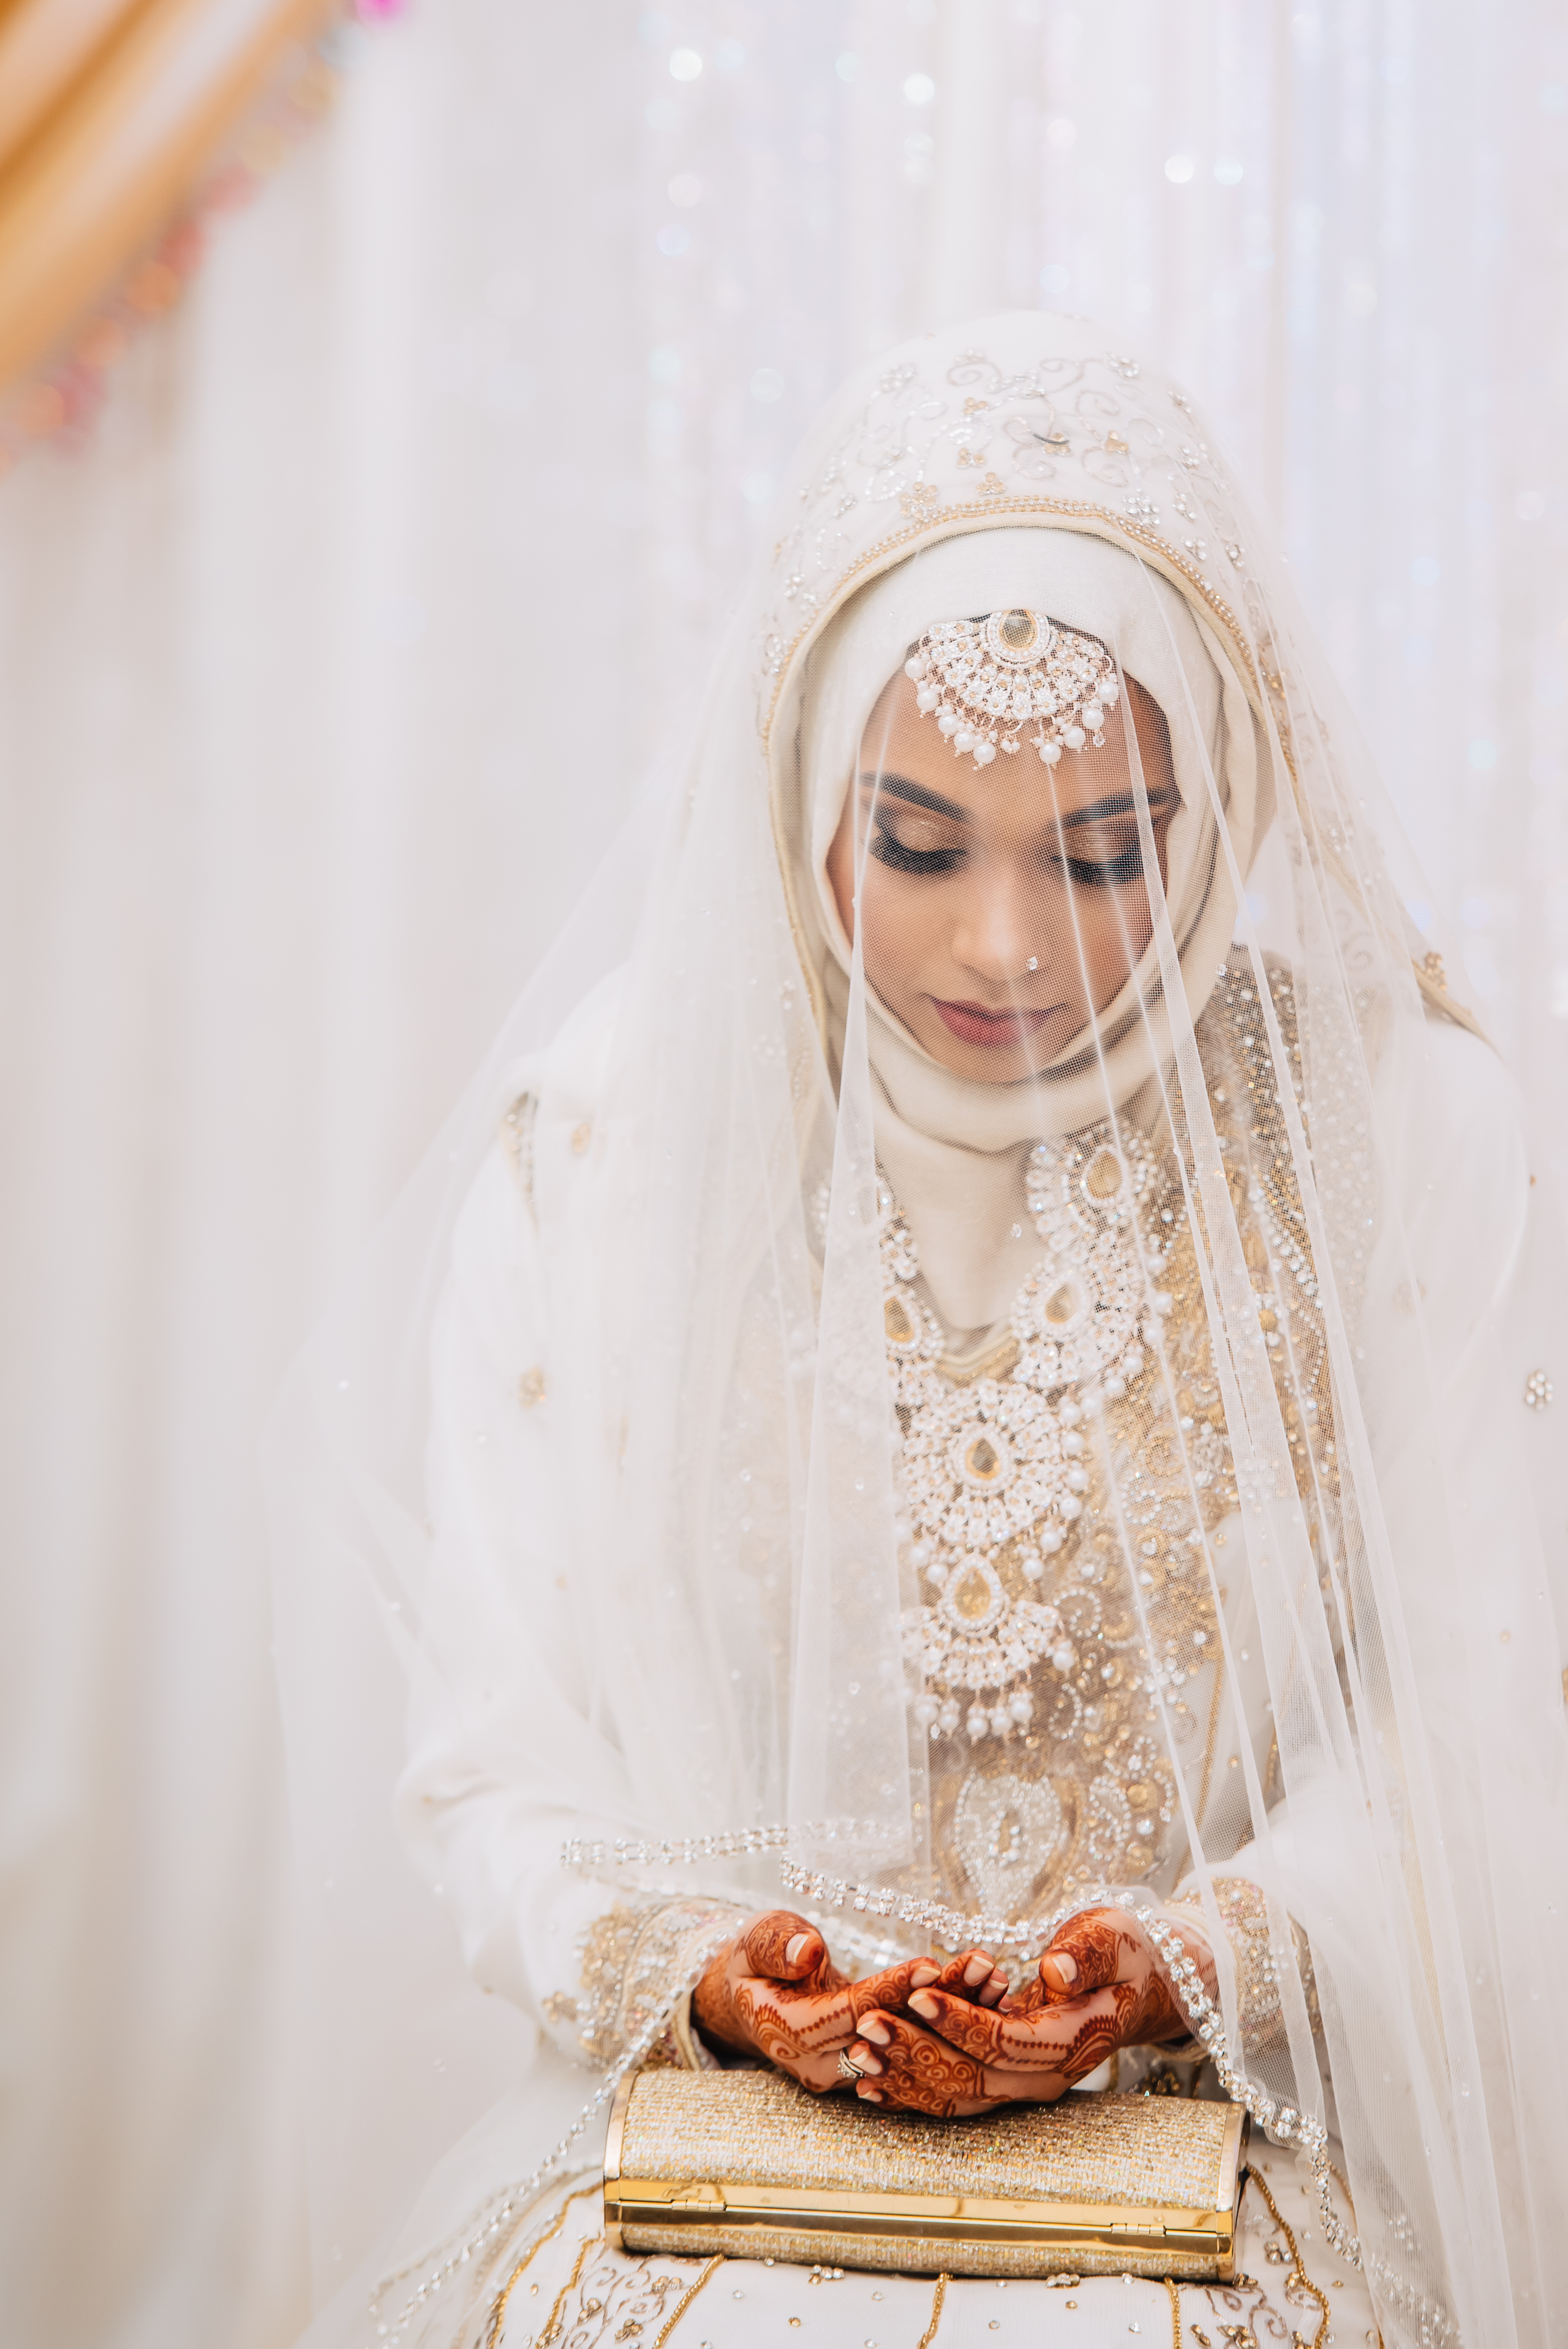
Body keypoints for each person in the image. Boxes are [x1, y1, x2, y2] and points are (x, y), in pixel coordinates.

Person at [273, 312, 1568, 2349]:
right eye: (916, 840)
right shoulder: (617, 1144)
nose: (1002, 946)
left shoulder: (1387, 1134)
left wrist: (1181, 1959)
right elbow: (495, 1759)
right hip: (703, 2147)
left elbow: (1471, 1734)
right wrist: (711, 1969)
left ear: (1227, 789)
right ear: (794, 791)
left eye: (1104, 850)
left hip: (1201, 2153)